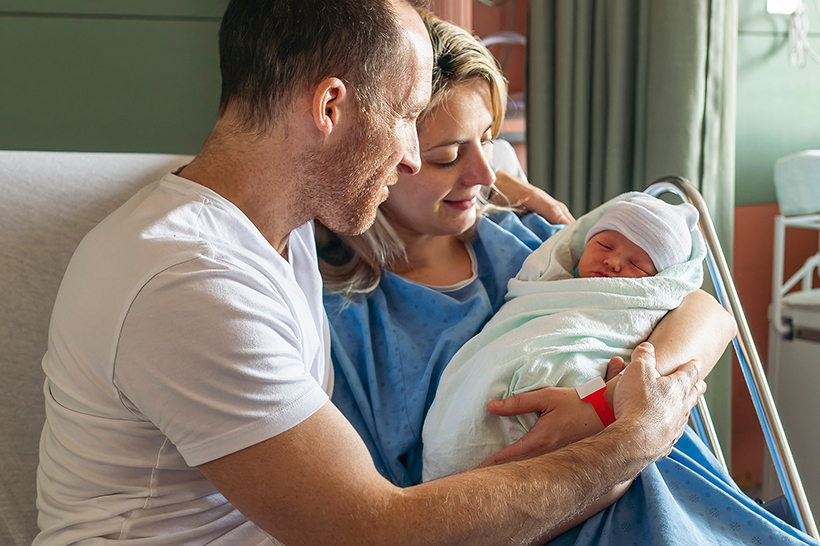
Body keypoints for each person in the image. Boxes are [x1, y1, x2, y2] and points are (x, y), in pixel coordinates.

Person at [34, 1, 716, 545]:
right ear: (330, 108)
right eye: (407, 116)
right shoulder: (189, 281)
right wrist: (629, 441)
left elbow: (445, 182)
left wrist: (516, 194)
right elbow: (373, 529)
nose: (412, 158)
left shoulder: (273, 217)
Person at [321, 10, 820, 546]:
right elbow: (387, 509)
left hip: (664, 482)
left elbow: (706, 314)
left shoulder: (530, 241)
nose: (486, 176)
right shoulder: (353, 324)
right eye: (447, 157)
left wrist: (605, 409)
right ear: (381, 152)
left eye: (487, 141)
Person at [422, 194, 705, 480]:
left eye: (639, 265)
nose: (614, 262)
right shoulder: (545, 280)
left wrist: (602, 400)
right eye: (605, 245)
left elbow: (709, 315)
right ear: (584, 243)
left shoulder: (638, 305)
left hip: (609, 433)